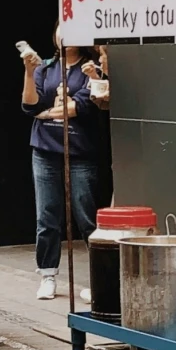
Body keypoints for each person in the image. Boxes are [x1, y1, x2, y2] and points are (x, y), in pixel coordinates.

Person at [20, 28, 110, 299]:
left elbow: (80, 107)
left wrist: (45, 114)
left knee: (86, 214)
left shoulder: (90, 68)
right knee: (47, 215)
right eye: (61, 26)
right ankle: (47, 274)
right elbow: (28, 105)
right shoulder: (45, 68)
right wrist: (28, 70)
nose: (66, 33)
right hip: (45, 149)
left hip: (81, 150)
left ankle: (101, 277)